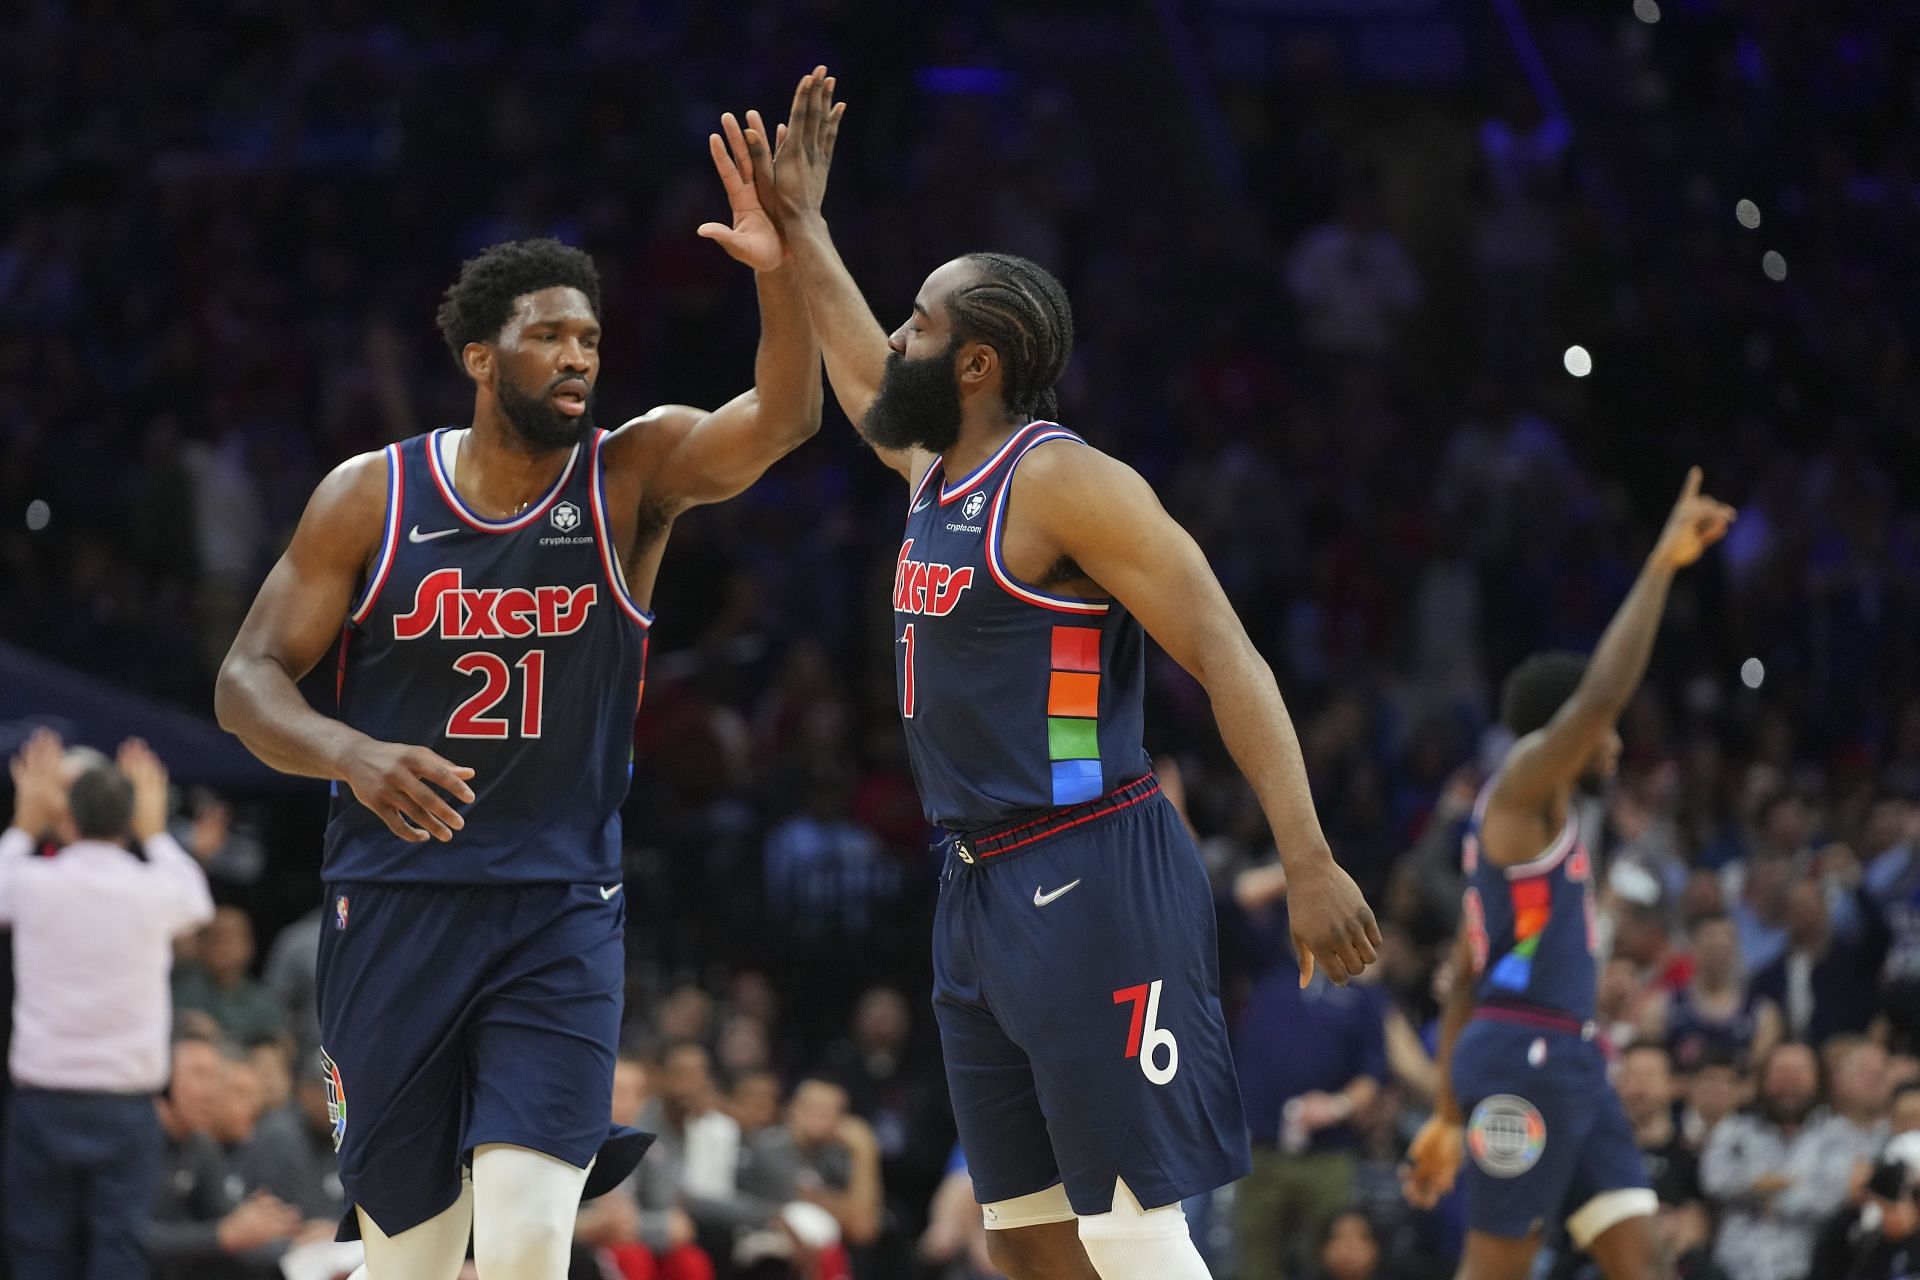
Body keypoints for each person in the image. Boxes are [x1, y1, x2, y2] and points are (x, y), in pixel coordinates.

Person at [745, 71, 1380, 1280]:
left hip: (1093, 867)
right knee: (1026, 1236)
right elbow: (849, 360)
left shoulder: (1068, 484)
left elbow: (1226, 650)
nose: (896, 336)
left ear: (979, 363)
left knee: (1133, 1227)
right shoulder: (936, 471)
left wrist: (1305, 855)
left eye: (921, 325)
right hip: (976, 883)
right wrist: (806, 229)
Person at [211, 74, 827, 1279]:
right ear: (481, 354)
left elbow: (786, 418)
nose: (578, 355)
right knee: (415, 1257)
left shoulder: (630, 474)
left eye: (591, 336)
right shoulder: (372, 496)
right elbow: (246, 680)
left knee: (534, 1240)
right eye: (550, 333)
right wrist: (350, 749)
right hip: (392, 903)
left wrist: (781, 258)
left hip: (557, 903)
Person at [1402, 469, 1737, 1280]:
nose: (1616, 745)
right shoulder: (1523, 784)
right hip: (1529, 1058)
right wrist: (1660, 565)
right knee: (1495, 1271)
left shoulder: (1527, 839)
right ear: (1568, 736)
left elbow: (1464, 980)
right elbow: (1599, 695)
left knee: (1643, 1264)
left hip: (1563, 1056)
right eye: (1606, 734)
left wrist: (1448, 1111)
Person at [0, 731, 216, 1280]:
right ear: (130, 820)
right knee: (119, 1254)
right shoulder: (154, 889)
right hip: (124, 1108)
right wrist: (158, 832)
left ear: (64, 815)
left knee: (37, 1256)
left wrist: (24, 821)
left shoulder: (30, 881)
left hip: (44, 1104)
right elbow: (197, 898)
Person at [1700, 1041, 1861, 1280]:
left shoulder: (1839, 1134)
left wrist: (1765, 1195)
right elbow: (1714, 1180)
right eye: (1780, 1071)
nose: (1790, 1081)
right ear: (1762, 1078)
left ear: (1818, 1078)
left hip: (1809, 1268)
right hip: (1735, 1269)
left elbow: (1833, 1196)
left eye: (1799, 1072)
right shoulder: (1734, 1129)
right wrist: (1769, 1185)